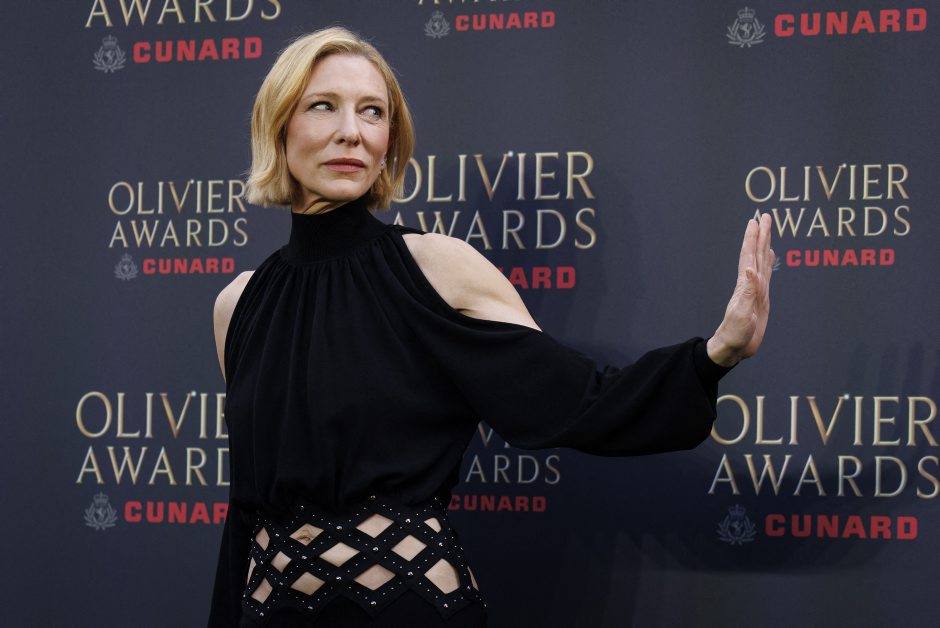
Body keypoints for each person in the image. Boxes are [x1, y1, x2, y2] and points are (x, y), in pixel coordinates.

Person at [208, 26, 773, 628]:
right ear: (278, 126)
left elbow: (577, 400)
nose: (352, 130)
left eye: (373, 111)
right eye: (323, 106)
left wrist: (717, 353)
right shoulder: (239, 303)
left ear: (389, 139)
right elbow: (246, 508)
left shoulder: (433, 267)